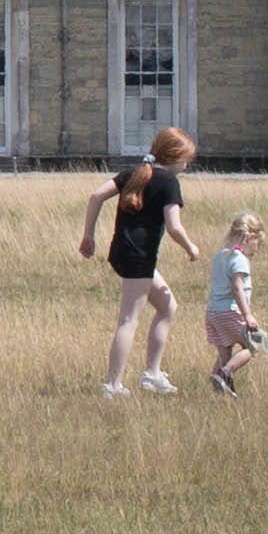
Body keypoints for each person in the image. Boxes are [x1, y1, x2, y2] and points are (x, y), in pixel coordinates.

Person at [80, 123, 200, 396]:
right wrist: (191, 248)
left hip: (122, 252)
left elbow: (96, 196)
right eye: (186, 160)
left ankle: (152, 374)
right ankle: (112, 385)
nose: (187, 166)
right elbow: (174, 227)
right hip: (139, 257)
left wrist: (89, 235)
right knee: (128, 321)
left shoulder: (136, 173)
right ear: (175, 157)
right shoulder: (169, 182)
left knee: (168, 306)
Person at [201, 211, 268, 392]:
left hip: (213, 313)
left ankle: (221, 389)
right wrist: (247, 314)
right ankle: (225, 372)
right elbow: (237, 287)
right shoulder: (239, 259)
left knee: (225, 353)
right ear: (250, 236)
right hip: (231, 311)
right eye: (257, 242)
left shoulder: (220, 256)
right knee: (252, 346)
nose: (257, 248)